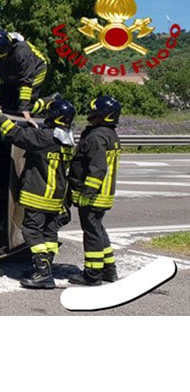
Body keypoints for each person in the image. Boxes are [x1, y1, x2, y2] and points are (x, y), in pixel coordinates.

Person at [0, 98, 76, 289]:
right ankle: (45, 269)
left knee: (31, 231)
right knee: (49, 234)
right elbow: (44, 143)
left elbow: (14, 133)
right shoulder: (67, 140)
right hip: (56, 198)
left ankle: (43, 273)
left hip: (39, 195)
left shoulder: (44, 138)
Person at [67, 96, 122, 286]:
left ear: (103, 115)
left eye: (93, 113)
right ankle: (109, 270)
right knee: (98, 229)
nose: (90, 115)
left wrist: (87, 192)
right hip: (104, 193)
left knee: (91, 233)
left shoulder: (97, 137)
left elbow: (97, 168)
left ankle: (92, 274)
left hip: (94, 195)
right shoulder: (110, 135)